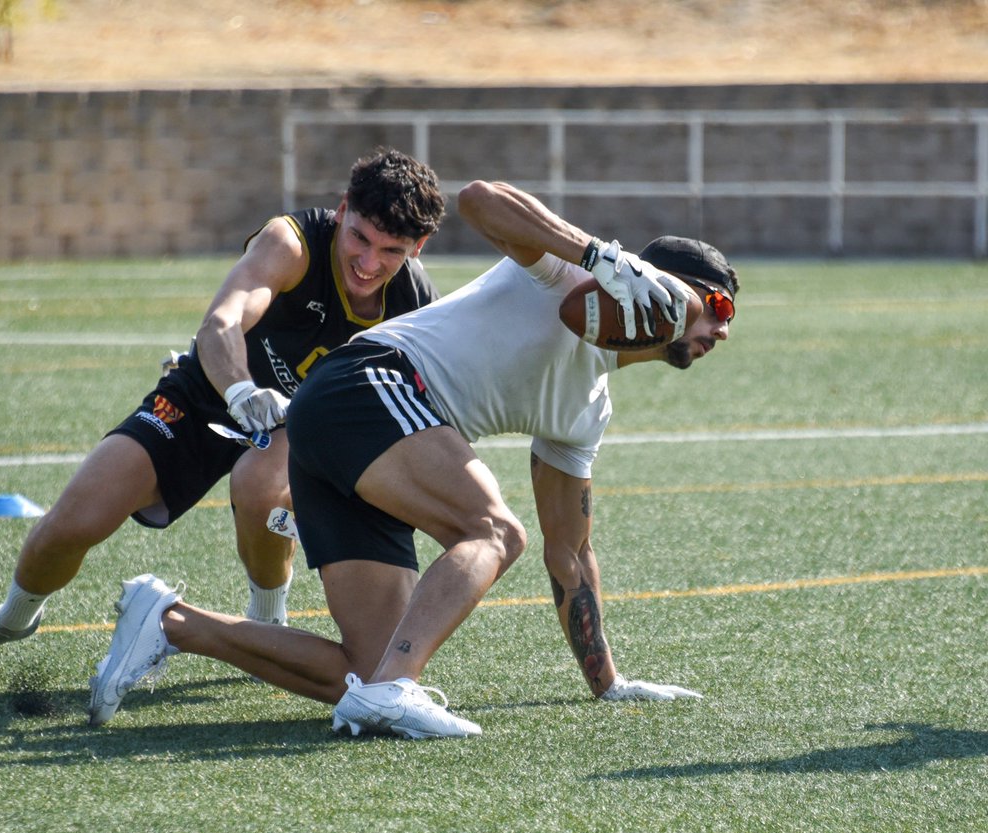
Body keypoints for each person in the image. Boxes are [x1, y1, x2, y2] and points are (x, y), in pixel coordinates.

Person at [86, 178, 740, 738]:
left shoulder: (587, 408)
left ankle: (170, 622)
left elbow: (569, 554)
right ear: (661, 290)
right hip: (369, 383)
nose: (723, 327)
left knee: (361, 667)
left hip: (361, 431)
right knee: (492, 530)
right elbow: (480, 198)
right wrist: (600, 255)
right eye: (715, 304)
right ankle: (396, 686)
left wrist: (610, 684)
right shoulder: (566, 273)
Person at [0, 148, 446, 677]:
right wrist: (240, 391)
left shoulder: (418, 305)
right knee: (77, 517)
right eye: (359, 237)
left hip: (297, 423)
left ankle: (268, 624)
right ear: (342, 209)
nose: (369, 263)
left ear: (418, 247)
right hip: (211, 393)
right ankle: (10, 619)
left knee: (259, 483)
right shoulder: (293, 243)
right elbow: (222, 323)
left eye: (391, 250)